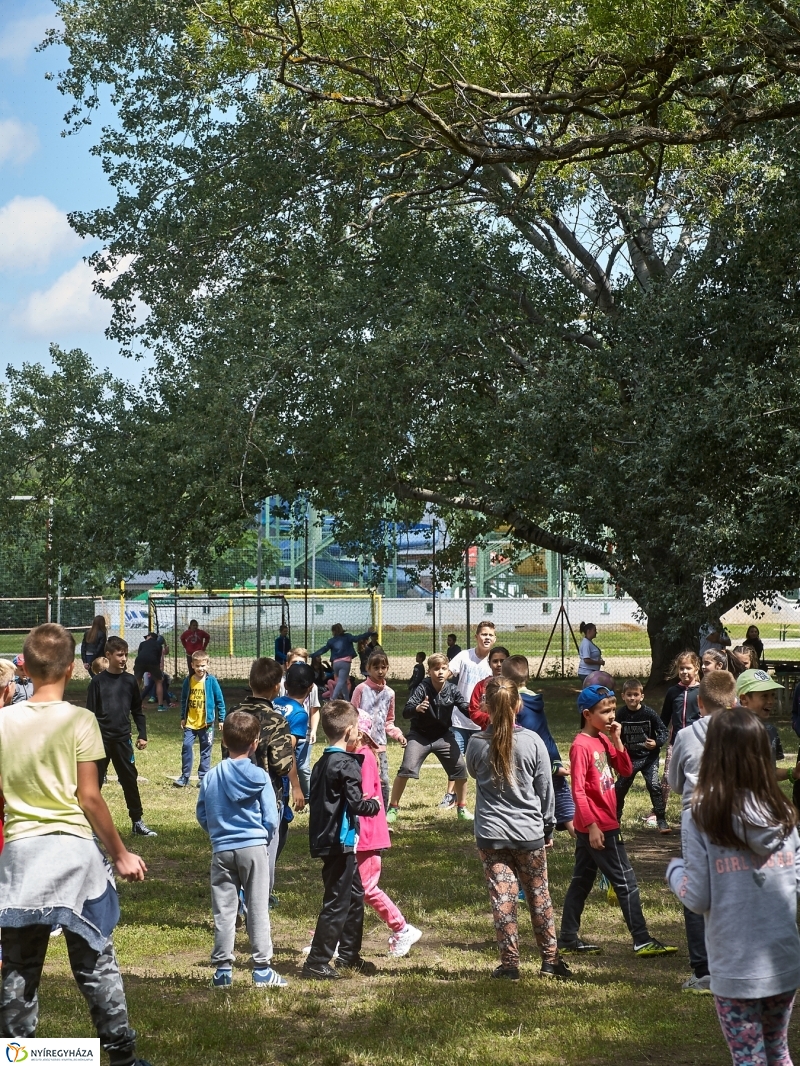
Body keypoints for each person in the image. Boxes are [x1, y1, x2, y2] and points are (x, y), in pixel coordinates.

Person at [0, 623, 151, 1065]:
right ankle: (121, 1056)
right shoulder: (80, 720)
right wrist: (121, 853)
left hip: (22, 858)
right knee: (95, 962)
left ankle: (18, 1055)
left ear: (24, 666)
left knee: (20, 968)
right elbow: (89, 796)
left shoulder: (2, 724)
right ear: (72, 668)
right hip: (74, 857)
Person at [667, 708, 800, 1066]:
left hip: (736, 964)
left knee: (749, 1058)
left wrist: (674, 871)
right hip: (783, 959)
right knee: (777, 1050)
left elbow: (696, 897)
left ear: (714, 753)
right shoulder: (785, 813)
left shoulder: (700, 816)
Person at [558, 684, 676, 958]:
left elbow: (624, 769)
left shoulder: (601, 739)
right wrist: (593, 826)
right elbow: (578, 790)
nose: (612, 715)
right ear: (587, 714)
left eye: (613, 710)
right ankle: (641, 939)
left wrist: (617, 740)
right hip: (599, 826)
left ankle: (567, 938)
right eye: (605, 711)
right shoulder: (580, 746)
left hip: (601, 823)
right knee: (626, 882)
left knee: (581, 881)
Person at [466, 676, 571, 981]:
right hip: (528, 833)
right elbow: (545, 789)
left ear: (486, 705)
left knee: (503, 899)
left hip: (491, 834)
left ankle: (510, 964)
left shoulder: (475, 743)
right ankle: (551, 961)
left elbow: (473, 773)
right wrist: (548, 826)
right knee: (539, 895)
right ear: (518, 704)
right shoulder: (533, 741)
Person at [196, 710, 284, 988]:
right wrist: (262, 837)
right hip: (254, 848)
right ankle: (262, 969)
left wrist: (218, 834)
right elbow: (271, 818)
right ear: (256, 742)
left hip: (222, 850)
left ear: (223, 740)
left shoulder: (211, 776)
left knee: (224, 910)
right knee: (258, 907)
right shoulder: (260, 776)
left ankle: (223, 970)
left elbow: (202, 813)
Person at [669, 669, 737, 994]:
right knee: (732, 884)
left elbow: (673, 783)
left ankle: (703, 970)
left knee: (696, 891)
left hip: (694, 816)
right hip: (733, 815)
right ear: (734, 701)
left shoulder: (684, 736)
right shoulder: (742, 732)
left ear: (700, 703)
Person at [302, 700, 381, 980]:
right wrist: (374, 805)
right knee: (337, 900)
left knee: (355, 895)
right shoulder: (346, 763)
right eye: (358, 727)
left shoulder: (322, 761)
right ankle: (316, 961)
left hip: (329, 839)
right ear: (349, 731)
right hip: (339, 841)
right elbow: (357, 804)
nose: (360, 731)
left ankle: (349, 955)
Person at [229, 657, 303, 901]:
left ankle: (236, 897)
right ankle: (259, 900)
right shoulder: (276, 720)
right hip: (266, 798)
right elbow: (282, 765)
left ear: (250, 682)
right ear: (277, 687)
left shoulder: (233, 715)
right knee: (265, 853)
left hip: (232, 793)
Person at [353, 711, 422, 958]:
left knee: (367, 888)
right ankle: (334, 938)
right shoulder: (358, 755)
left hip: (369, 836)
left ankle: (402, 929)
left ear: (358, 732)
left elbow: (362, 796)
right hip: (359, 834)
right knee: (351, 889)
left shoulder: (364, 757)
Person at [386, 653, 473, 824]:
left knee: (460, 769)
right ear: (429, 671)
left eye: (444, 668)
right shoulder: (422, 688)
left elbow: (466, 708)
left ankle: (462, 808)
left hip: (443, 736)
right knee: (406, 768)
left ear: (448, 670)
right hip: (420, 735)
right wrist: (417, 708)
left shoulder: (453, 690)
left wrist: (481, 713)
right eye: (436, 669)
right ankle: (393, 808)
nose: (440, 672)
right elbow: (406, 711)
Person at [87, 636, 156, 837]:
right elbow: (89, 715)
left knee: (129, 781)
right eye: (119, 655)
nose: (124, 658)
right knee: (94, 783)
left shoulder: (129, 681)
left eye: (125, 654)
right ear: (108, 656)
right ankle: (90, 826)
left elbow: (137, 710)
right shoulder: (97, 683)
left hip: (123, 740)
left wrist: (142, 734)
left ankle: (137, 822)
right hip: (100, 742)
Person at [499, 655, 575, 835]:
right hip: (551, 754)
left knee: (535, 796)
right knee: (559, 794)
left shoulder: (514, 702)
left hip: (531, 758)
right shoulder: (535, 699)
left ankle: (545, 834)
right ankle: (579, 834)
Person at [442, 621, 497, 808]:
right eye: (483, 634)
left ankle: (486, 796)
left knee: (485, 760)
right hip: (459, 719)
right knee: (456, 759)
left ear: (495, 638)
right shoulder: (465, 656)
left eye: (490, 635)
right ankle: (450, 795)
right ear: (476, 637)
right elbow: (448, 671)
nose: (486, 637)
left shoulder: (494, 663)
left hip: (483, 723)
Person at [614, 678, 670, 833]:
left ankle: (661, 820)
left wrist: (657, 743)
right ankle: (615, 820)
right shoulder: (621, 714)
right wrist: (618, 759)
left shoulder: (649, 713)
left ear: (641, 696)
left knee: (654, 786)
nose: (632, 698)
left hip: (648, 758)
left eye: (636, 694)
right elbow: (616, 736)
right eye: (629, 695)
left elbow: (664, 731)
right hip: (630, 759)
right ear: (623, 696)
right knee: (619, 787)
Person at [351, 651, 407, 808]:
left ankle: (382, 814)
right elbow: (351, 714)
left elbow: (389, 721)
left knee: (383, 781)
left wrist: (398, 735)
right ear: (368, 668)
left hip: (379, 746)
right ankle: (360, 812)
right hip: (360, 745)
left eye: (383, 667)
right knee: (361, 779)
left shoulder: (390, 693)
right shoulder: (360, 689)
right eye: (376, 667)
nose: (380, 671)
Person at [274, 662, 315, 862]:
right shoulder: (299, 714)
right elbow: (286, 749)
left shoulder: (274, 702)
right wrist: (297, 787)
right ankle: (258, 889)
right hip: (279, 781)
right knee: (276, 837)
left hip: (262, 771)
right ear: (310, 689)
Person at [658, 650, 701, 818]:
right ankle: (659, 811)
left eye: (688, 668)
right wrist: (659, 738)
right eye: (681, 668)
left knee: (696, 777)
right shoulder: (673, 692)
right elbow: (664, 718)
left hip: (696, 743)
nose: (684, 672)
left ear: (696, 668)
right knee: (668, 777)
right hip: (675, 742)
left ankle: (697, 810)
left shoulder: (702, 691)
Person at [174, 651, 226, 788]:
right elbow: (184, 699)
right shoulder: (188, 681)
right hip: (191, 722)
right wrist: (182, 717)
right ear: (192, 665)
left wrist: (221, 719)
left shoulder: (212, 682)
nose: (200, 669)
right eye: (197, 666)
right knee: (186, 746)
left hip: (206, 724)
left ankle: (203, 777)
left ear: (207, 665)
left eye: (203, 665)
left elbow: (220, 701)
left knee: (206, 749)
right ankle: (185, 776)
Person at [736, 669, 796, 781]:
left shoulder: (770, 730)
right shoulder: (729, 731)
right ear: (744, 699)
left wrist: (792, 772)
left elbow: (770, 772)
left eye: (772, 695)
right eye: (764, 696)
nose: (771, 701)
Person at [278, 647, 321, 801]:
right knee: (283, 766)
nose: (298, 667)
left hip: (303, 732)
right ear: (287, 665)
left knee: (302, 768)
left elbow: (315, 710)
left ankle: (307, 798)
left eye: (302, 663)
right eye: (294, 663)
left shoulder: (313, 687)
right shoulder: (281, 685)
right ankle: (284, 798)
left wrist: (314, 730)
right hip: (284, 734)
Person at [311, 624, 378, 701]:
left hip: (335, 664)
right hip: (345, 663)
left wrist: (313, 655)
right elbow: (357, 638)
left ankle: (347, 700)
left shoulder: (331, 641)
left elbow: (323, 649)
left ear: (333, 631)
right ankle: (332, 699)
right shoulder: (347, 636)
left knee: (344, 683)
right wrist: (368, 633)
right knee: (341, 681)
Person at [468, 646, 510, 728]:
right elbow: (473, 711)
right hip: (487, 732)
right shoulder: (481, 685)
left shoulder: (512, 685)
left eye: (502, 661)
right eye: (495, 661)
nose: (499, 665)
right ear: (489, 663)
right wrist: (491, 719)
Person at [133, 631, 167, 711]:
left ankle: (135, 705)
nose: (146, 638)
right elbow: (158, 658)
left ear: (150, 636)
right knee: (158, 681)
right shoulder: (158, 645)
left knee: (137, 682)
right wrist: (157, 671)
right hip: (153, 662)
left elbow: (139, 654)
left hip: (140, 661)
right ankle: (160, 706)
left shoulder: (142, 643)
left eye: (146, 637)